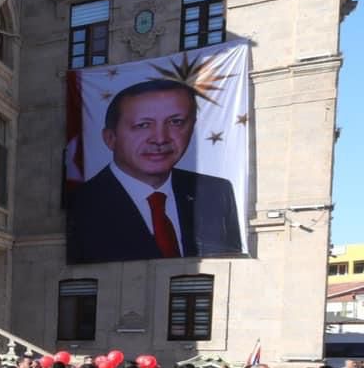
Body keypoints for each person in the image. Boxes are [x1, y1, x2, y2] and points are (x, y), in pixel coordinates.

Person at [67, 78, 244, 263]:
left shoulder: (215, 191)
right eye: (143, 125)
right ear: (110, 138)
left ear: (192, 128)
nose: (160, 139)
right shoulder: (81, 202)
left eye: (176, 122)